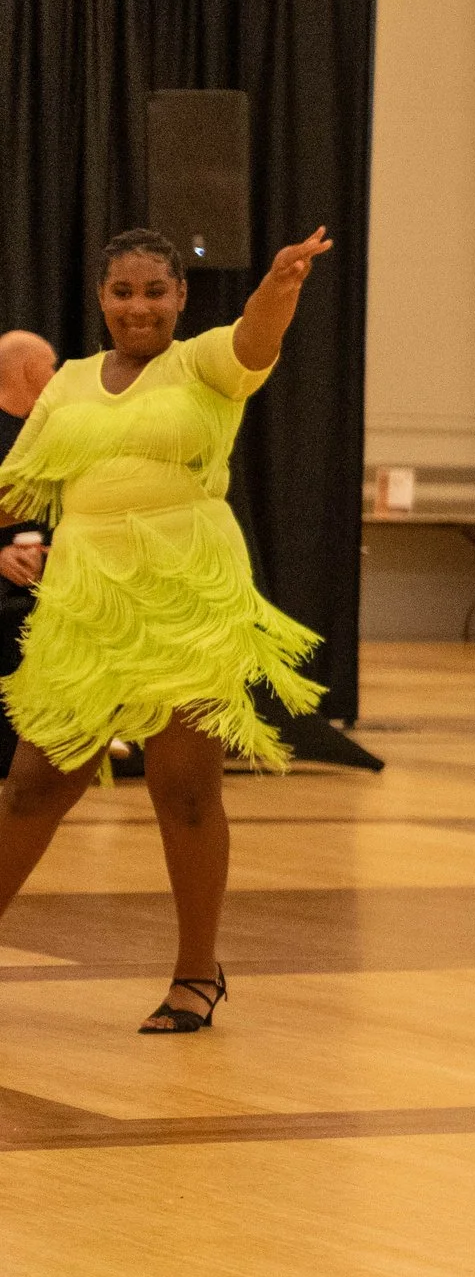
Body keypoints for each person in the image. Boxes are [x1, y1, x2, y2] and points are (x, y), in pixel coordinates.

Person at [0, 228, 330, 1032]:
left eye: (155, 291)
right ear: (102, 300)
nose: (139, 306)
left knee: (183, 790)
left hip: (186, 598)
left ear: (181, 298)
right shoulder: (69, 384)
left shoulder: (204, 363)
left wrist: (281, 285)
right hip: (85, 605)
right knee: (34, 786)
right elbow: (18, 492)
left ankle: (195, 974)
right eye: (123, 292)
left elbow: (255, 339)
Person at [0, 332, 58, 770]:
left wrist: (55, 553)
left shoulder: (50, 436)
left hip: (49, 582)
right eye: (51, 366)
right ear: (25, 368)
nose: (56, 377)